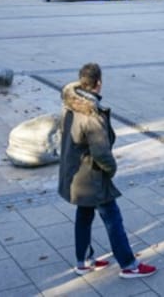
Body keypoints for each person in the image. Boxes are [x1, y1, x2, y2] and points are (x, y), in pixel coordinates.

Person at [58, 63, 157, 279]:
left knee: (84, 213)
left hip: (75, 173)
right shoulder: (91, 114)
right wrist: (110, 169)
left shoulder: (69, 105)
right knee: (112, 217)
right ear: (99, 84)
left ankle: (83, 260)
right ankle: (129, 265)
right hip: (91, 176)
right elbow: (101, 152)